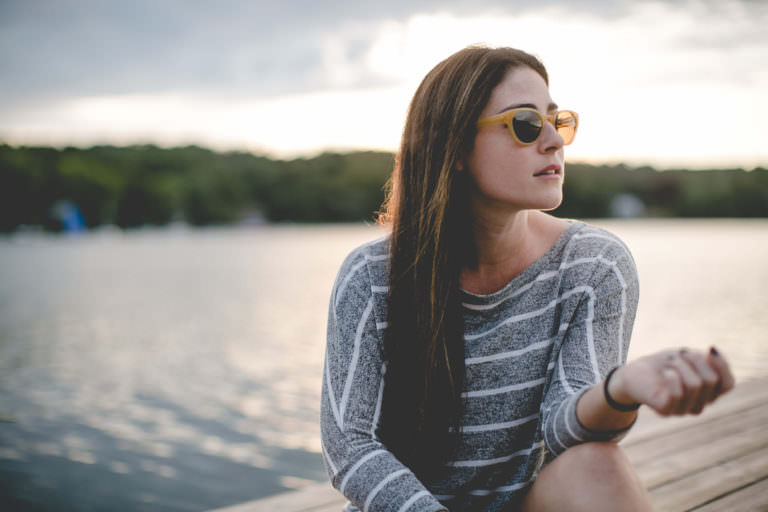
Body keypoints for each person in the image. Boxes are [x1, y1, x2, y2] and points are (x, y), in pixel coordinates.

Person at [320, 46, 734, 512]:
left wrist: (622, 387)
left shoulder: (594, 265)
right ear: (453, 147)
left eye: (557, 122)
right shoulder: (372, 278)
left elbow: (566, 431)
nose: (554, 141)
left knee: (599, 465)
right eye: (525, 124)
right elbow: (351, 446)